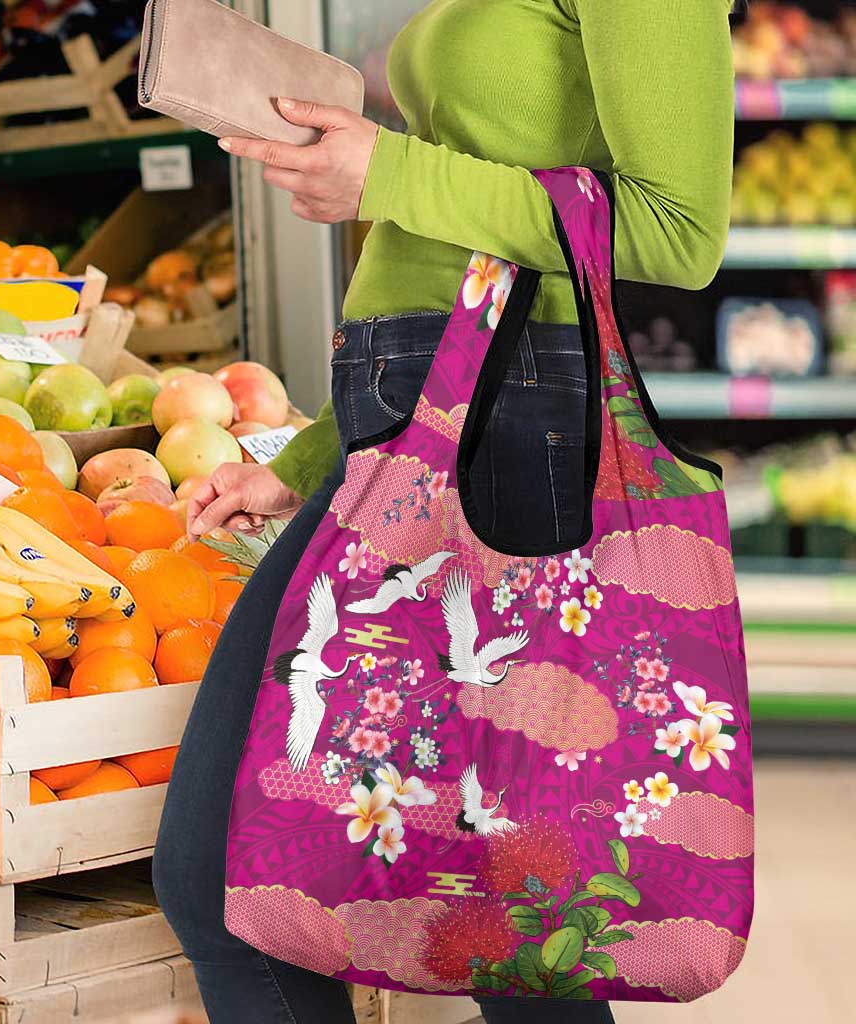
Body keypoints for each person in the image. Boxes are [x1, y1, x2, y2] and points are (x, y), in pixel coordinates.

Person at [153, 2, 736, 1022]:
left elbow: (679, 229)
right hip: (421, 431)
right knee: (488, 920)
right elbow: (461, 246)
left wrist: (388, 172)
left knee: (502, 922)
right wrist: (309, 458)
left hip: (512, 439)